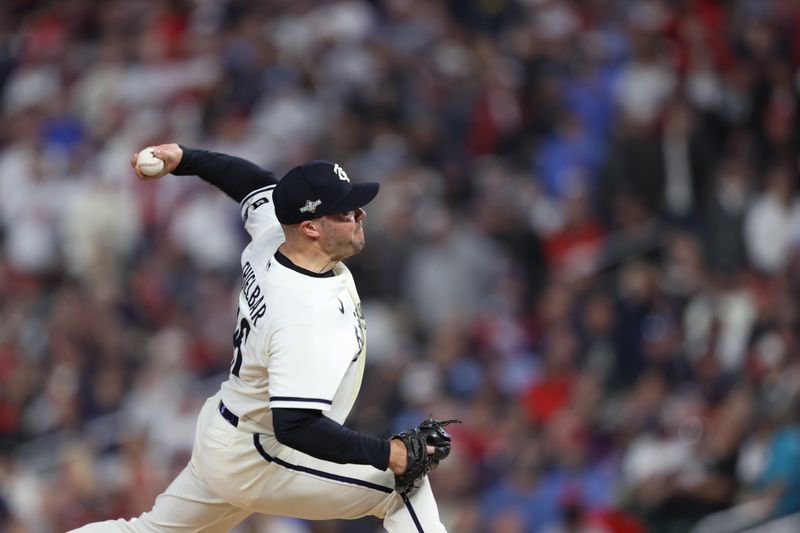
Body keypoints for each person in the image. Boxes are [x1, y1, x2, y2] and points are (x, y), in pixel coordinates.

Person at [69, 144, 449, 532]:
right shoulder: (303, 315)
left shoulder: (274, 235)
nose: (359, 215)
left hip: (230, 429)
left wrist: (184, 158)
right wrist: (390, 454)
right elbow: (296, 426)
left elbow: (253, 183)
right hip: (261, 454)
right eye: (344, 212)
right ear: (311, 227)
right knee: (404, 489)